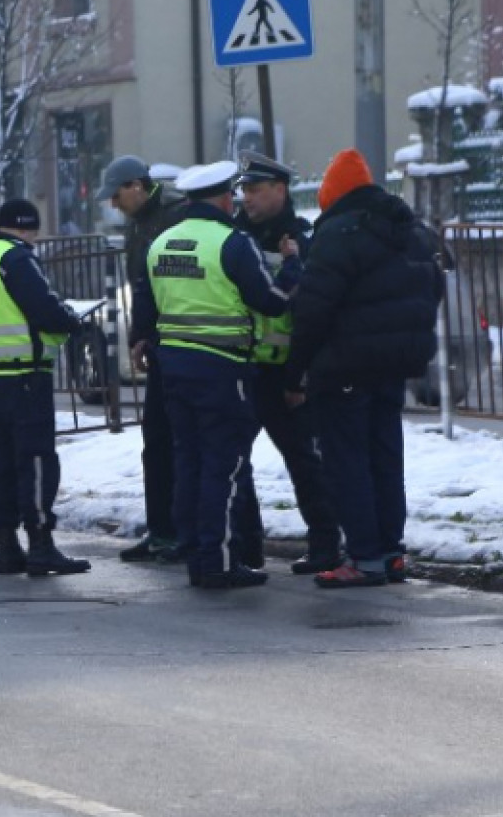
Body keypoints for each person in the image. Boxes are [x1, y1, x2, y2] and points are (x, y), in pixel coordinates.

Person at [285, 149, 444, 588]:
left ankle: (363, 556)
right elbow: (436, 284)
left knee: (347, 461)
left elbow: (315, 309)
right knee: (384, 457)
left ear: (332, 194)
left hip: (345, 365)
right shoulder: (410, 229)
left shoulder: (339, 233)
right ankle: (391, 552)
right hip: (394, 364)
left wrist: (294, 369)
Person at [146, 161, 298, 589]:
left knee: (189, 462)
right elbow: (270, 302)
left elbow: (153, 300)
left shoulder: (162, 242)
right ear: (225, 198)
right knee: (223, 466)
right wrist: (290, 269)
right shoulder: (233, 242)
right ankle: (219, 559)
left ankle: (195, 553)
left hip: (174, 367)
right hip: (222, 369)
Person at [0, 199, 92, 578]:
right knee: (34, 460)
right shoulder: (16, 259)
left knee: (0, 463)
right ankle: (40, 543)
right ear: (27, 227)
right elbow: (43, 308)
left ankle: (6, 546)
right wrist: (71, 322)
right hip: (26, 377)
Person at [230, 152, 343, 574]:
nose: (248, 199)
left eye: (256, 190)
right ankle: (246, 549)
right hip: (242, 367)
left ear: (280, 190)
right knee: (235, 463)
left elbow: (312, 311)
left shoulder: (302, 239)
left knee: (305, 461)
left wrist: (302, 372)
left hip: (283, 371)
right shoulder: (235, 237)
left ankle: (326, 545)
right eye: (244, 191)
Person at [104, 155, 190, 563]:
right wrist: (139, 337)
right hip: (157, 345)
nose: (114, 203)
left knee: (179, 442)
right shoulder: (139, 224)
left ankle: (179, 531)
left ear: (138, 185)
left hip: (180, 344)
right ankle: (161, 531)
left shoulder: (175, 215)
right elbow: (140, 286)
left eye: (117, 194)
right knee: (155, 442)